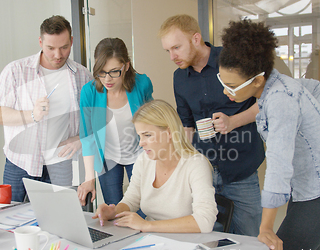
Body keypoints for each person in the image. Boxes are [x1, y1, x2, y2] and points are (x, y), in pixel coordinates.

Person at [217, 19, 320, 250]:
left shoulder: (281, 99)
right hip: (308, 192)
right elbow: (312, 87)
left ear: (257, 80)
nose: (225, 92)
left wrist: (266, 227)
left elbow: (278, 167)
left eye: (231, 86)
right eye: (222, 82)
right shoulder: (279, 84)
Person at [159, 14, 265, 236]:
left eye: (176, 47)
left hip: (241, 171)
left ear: (196, 38)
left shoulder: (233, 59)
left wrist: (233, 121)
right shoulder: (179, 78)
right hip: (204, 173)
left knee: (250, 243)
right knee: (211, 243)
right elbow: (187, 126)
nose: (172, 56)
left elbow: (265, 103)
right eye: (167, 51)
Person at [0, 15, 92, 202]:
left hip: (60, 163)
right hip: (20, 162)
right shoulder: (16, 71)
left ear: (72, 41)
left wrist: (80, 138)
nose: (58, 55)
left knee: (60, 222)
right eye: (50, 48)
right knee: (11, 220)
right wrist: (31, 115)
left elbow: (93, 120)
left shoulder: (82, 75)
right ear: (40, 42)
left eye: (64, 47)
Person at [93, 100, 217, 233]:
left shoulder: (195, 164)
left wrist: (147, 225)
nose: (141, 143)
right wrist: (113, 212)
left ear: (169, 133)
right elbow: (132, 199)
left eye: (147, 135)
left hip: (191, 245)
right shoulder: (144, 160)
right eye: (140, 136)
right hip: (155, 241)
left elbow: (205, 221)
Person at [77, 38, 153, 206]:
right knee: (115, 210)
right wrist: (89, 179)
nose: (107, 79)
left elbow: (152, 123)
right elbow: (88, 137)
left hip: (138, 154)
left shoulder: (142, 84)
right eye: (102, 72)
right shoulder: (89, 92)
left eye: (114, 71)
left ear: (126, 66)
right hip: (108, 158)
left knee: (143, 209)